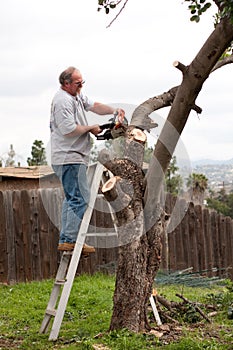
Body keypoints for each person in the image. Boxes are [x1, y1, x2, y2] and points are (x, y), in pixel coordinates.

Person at [50, 66, 125, 253]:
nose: (81, 85)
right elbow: (68, 130)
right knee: (81, 198)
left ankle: (67, 239)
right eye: (78, 83)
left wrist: (114, 110)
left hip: (74, 156)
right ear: (66, 84)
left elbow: (94, 106)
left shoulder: (75, 96)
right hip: (69, 156)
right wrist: (90, 128)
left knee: (72, 198)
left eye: (82, 82)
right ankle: (69, 239)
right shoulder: (62, 101)